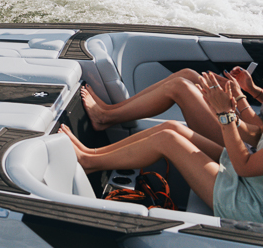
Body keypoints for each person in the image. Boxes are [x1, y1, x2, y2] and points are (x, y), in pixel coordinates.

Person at [61, 72, 263, 221]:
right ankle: (92, 153)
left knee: (167, 139)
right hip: (251, 173)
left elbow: (243, 167)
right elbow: (258, 134)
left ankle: (88, 162)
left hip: (249, 202)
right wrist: (240, 99)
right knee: (171, 127)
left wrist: (226, 115)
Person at [81, 66, 263, 146]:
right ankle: (110, 111)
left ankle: (104, 117)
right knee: (188, 75)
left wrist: (239, 97)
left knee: (179, 87)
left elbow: (257, 133)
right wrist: (253, 90)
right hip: (250, 127)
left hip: (245, 143)